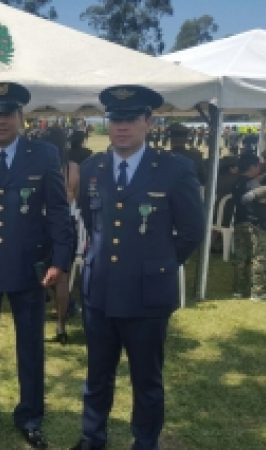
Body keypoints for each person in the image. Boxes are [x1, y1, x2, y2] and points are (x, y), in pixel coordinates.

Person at [71, 85, 204, 450]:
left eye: (130, 119)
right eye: (115, 118)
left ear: (148, 121)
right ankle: (92, 437)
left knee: (146, 379)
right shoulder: (92, 168)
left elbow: (192, 231)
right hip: (99, 291)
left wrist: (158, 264)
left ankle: (145, 442)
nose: (121, 126)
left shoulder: (175, 169)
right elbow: (90, 218)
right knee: (97, 375)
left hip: (147, 295)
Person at [0, 82, 73, 449]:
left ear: (22, 117)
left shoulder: (43, 154)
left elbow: (57, 210)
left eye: (8, 114)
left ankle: (30, 415)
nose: (1, 120)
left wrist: (60, 259)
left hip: (28, 266)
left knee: (30, 346)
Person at [38, 125, 80, 341]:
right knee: (62, 277)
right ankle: (61, 325)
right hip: (67, 221)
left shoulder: (40, 165)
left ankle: (37, 320)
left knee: (37, 273)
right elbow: (77, 197)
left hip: (42, 221)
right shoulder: (72, 168)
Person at [231, 153, 266, 300]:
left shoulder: (237, 182)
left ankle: (239, 289)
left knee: (241, 258)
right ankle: (257, 292)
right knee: (259, 257)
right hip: (255, 224)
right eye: (258, 166)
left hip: (239, 222)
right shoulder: (253, 185)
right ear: (252, 167)